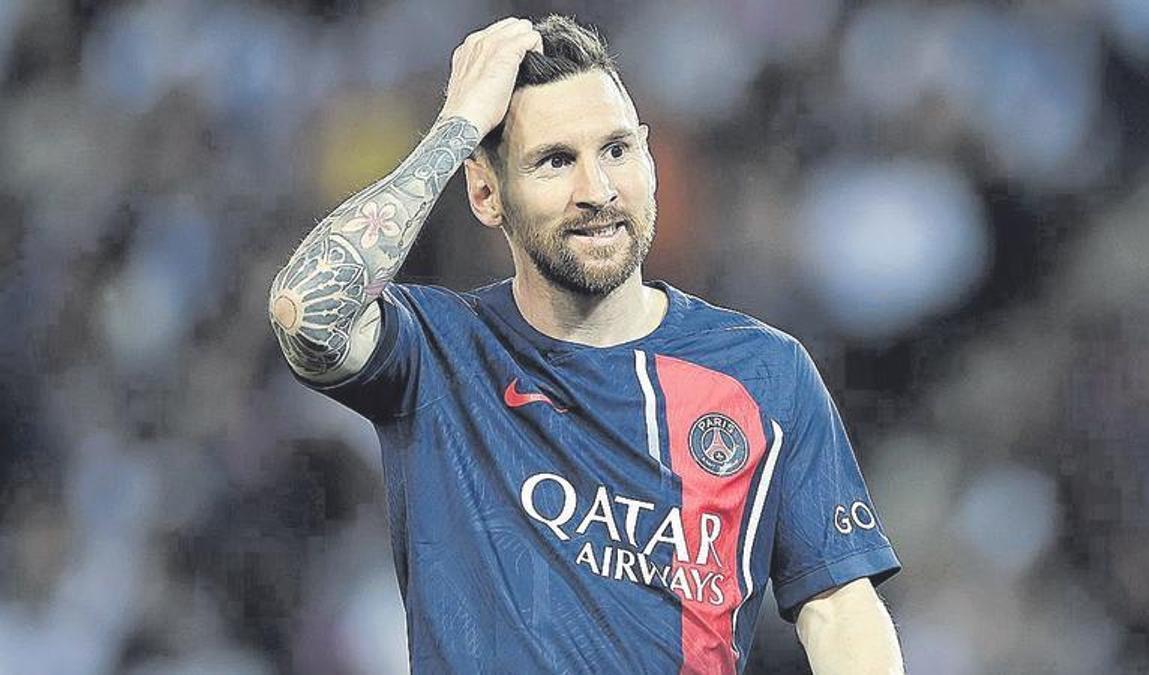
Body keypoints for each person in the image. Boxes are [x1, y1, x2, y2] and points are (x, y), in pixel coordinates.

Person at [268, 14, 903, 674]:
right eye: (555, 161)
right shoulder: (438, 353)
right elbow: (307, 312)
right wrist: (456, 127)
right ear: (486, 192)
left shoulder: (764, 373)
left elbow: (838, 605)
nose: (597, 191)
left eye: (617, 150)